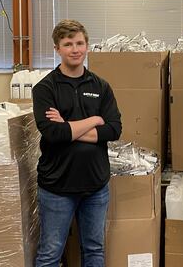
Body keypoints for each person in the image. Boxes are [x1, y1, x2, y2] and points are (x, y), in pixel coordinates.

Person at [32, 19, 122, 267]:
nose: (75, 49)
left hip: (95, 186)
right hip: (56, 187)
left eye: (79, 43)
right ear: (57, 48)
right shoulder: (45, 88)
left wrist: (68, 126)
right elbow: (53, 133)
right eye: (68, 44)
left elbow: (114, 129)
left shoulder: (101, 86)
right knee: (50, 255)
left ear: (87, 46)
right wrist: (94, 120)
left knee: (94, 251)